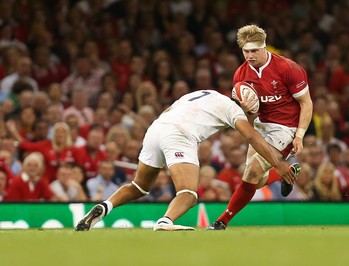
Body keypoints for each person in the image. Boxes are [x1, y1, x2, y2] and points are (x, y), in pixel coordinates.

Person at [75, 89, 295, 231]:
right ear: (247, 105)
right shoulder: (233, 110)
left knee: (139, 187)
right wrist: (279, 164)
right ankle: (165, 221)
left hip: (156, 128)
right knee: (188, 195)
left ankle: (105, 206)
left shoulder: (204, 92)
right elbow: (251, 137)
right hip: (180, 135)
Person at [208, 24, 313, 230]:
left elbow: (306, 103)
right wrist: (247, 110)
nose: (249, 55)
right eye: (246, 51)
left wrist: (299, 135)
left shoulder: (288, 68)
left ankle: (222, 221)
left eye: (254, 50)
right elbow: (247, 117)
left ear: (264, 47)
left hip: (286, 127)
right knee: (255, 178)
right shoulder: (240, 75)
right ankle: (288, 171)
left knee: (253, 171)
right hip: (261, 125)